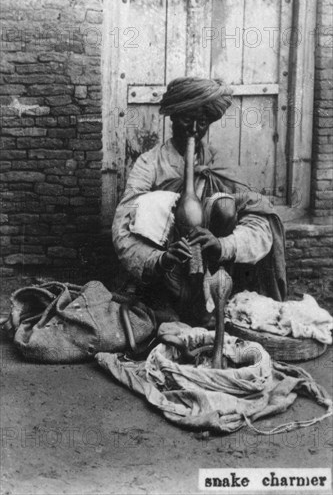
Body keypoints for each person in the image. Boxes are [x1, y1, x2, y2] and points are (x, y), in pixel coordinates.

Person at [112, 77, 287, 326]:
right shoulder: (149, 164)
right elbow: (122, 227)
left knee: (225, 207)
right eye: (186, 119)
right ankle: (163, 300)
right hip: (167, 269)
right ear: (172, 118)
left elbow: (258, 217)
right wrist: (158, 259)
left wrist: (223, 245)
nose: (193, 129)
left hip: (212, 270)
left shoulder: (218, 163)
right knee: (152, 205)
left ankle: (210, 300)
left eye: (202, 122)